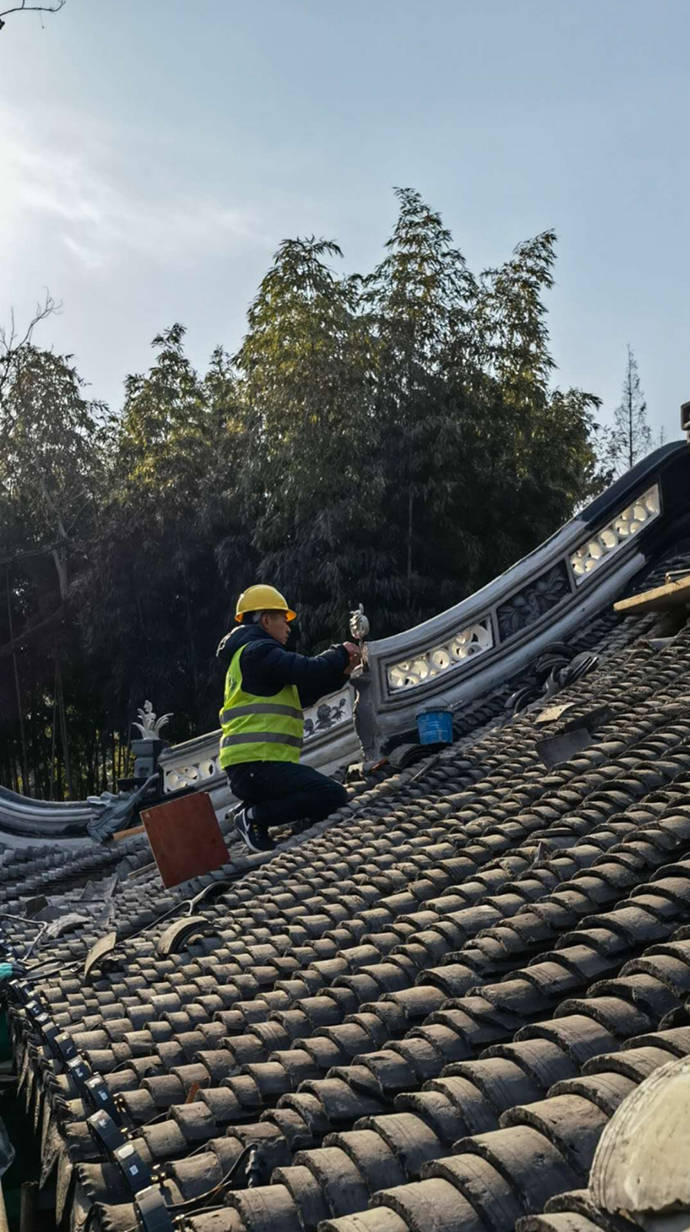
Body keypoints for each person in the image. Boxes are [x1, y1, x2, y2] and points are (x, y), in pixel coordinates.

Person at [217, 584, 361, 852]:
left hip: (253, 767)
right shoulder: (258, 652)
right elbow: (307, 670)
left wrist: (341, 671)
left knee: (322, 793)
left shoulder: (248, 657)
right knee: (331, 794)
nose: (288, 627)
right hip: (258, 765)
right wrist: (339, 653)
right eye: (283, 619)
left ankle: (255, 808)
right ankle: (254, 816)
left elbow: (304, 692)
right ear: (265, 619)